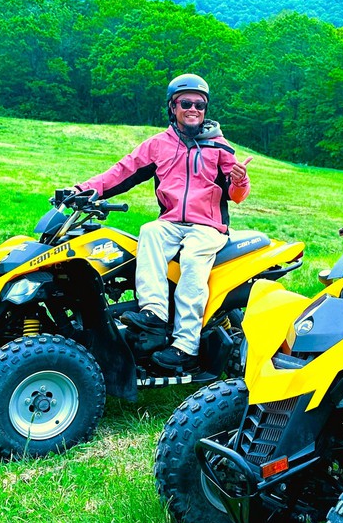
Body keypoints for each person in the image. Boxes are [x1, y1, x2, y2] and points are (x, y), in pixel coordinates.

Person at [63, 74, 252, 375]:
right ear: (172, 107)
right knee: (148, 232)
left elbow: (236, 194)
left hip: (208, 227)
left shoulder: (220, 147)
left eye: (199, 104)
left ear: (206, 108)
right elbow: (123, 171)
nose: (193, 109)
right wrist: (85, 189)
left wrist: (241, 181)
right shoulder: (158, 145)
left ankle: (186, 347)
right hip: (171, 222)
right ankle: (153, 316)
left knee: (192, 260)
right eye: (186, 103)